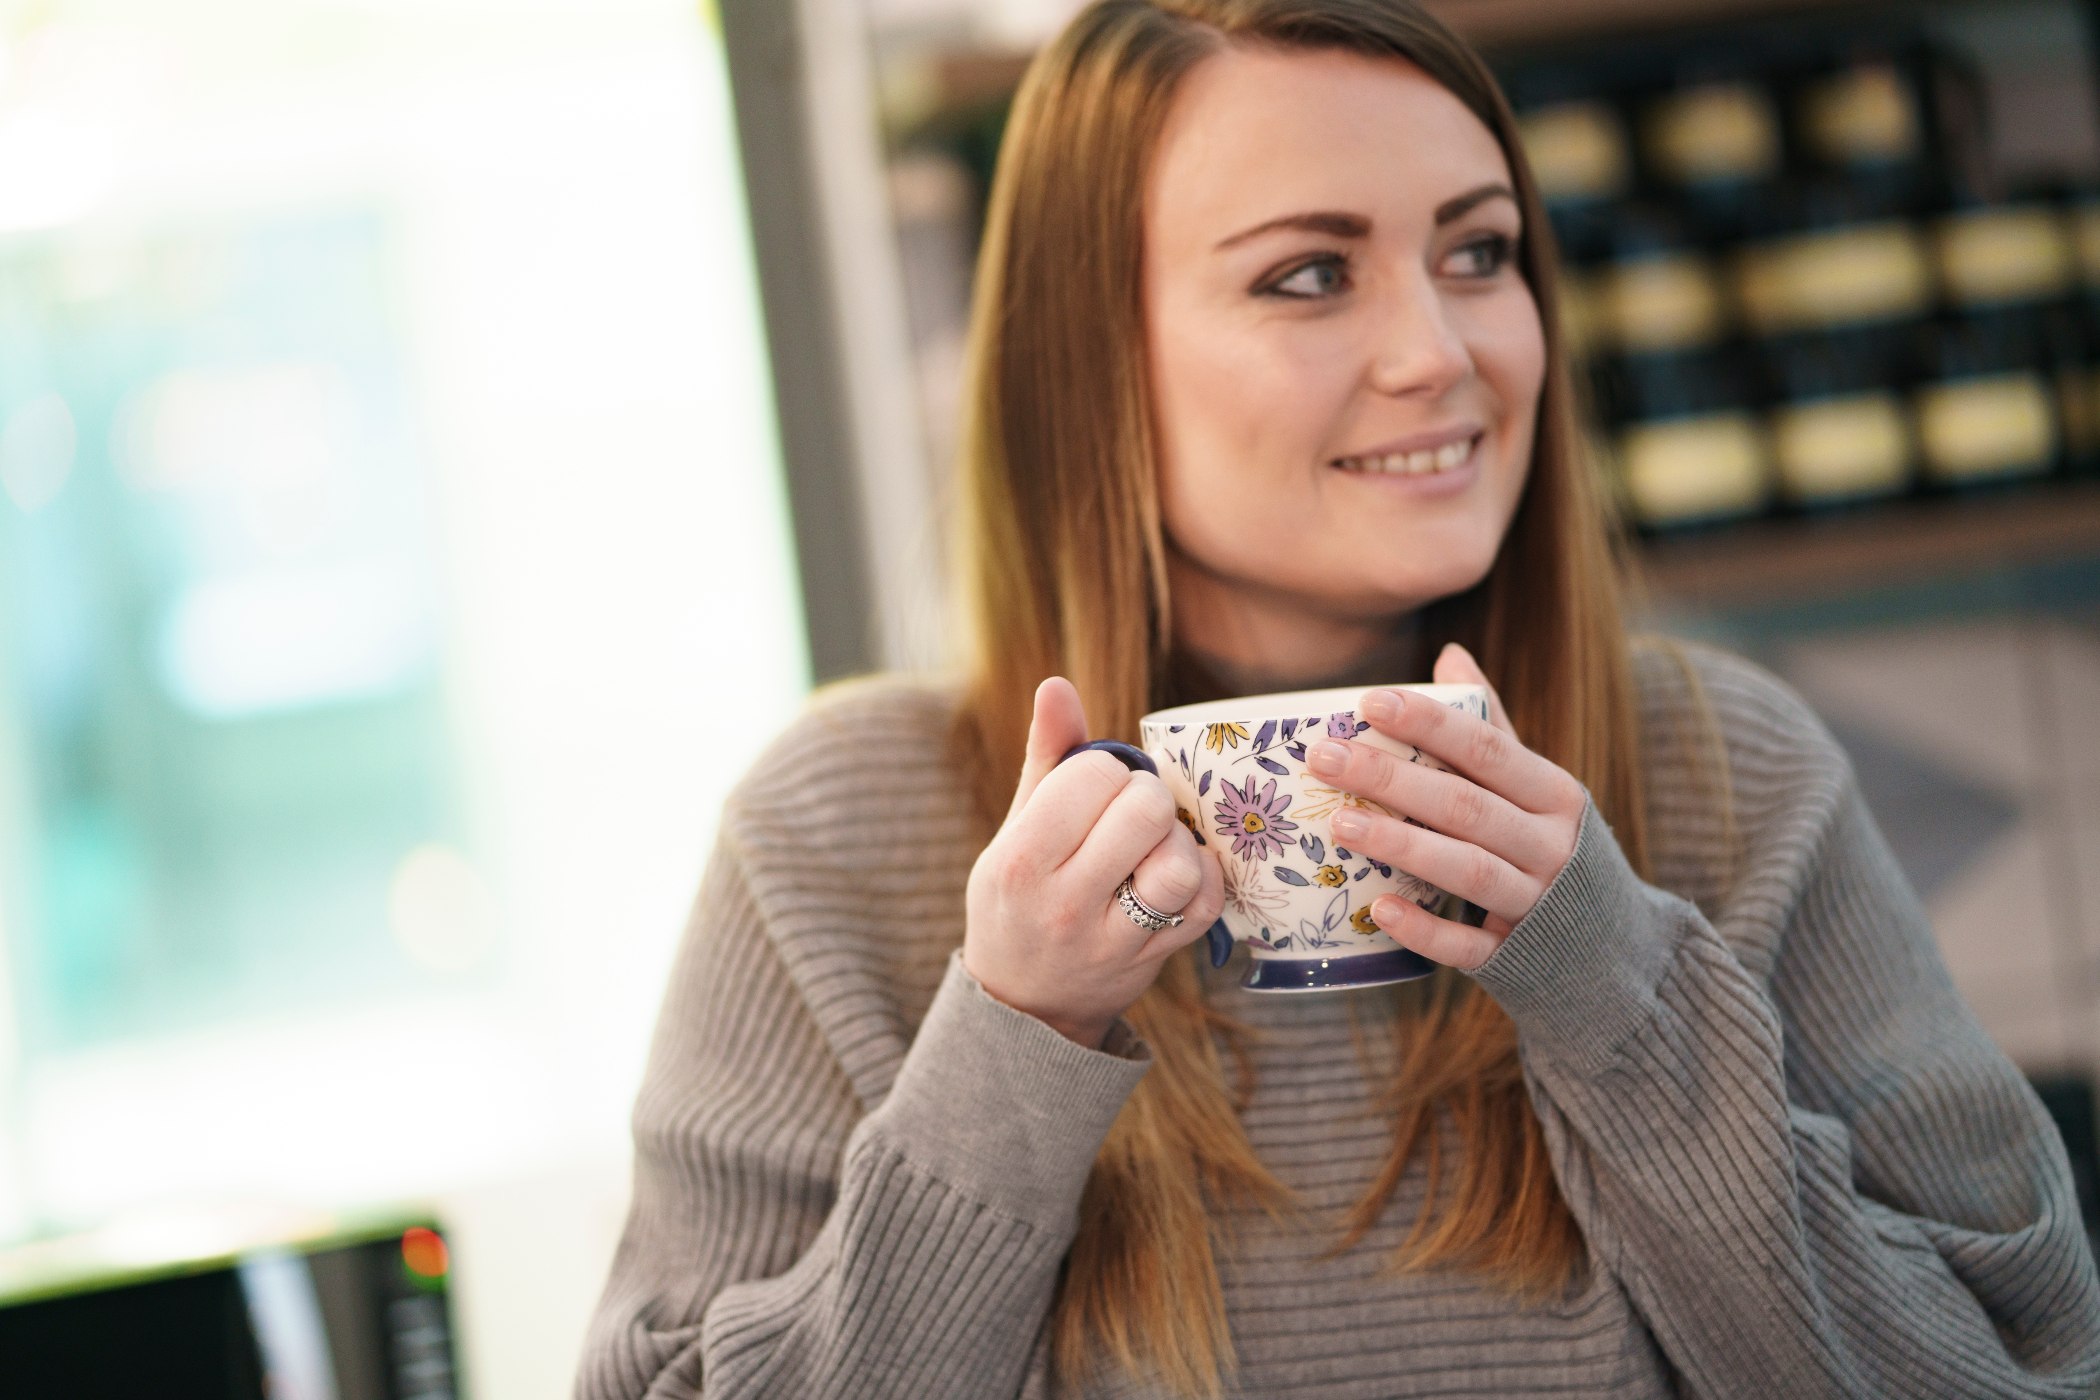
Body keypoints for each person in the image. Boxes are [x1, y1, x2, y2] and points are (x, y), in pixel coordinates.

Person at [575, 2, 2100, 1396]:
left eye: (1480, 252)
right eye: (1309, 274)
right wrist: (1013, 1042)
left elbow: (2028, 1370)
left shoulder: (1725, 771)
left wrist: (1619, 995)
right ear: (1090, 361)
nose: (1440, 354)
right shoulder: (840, 838)